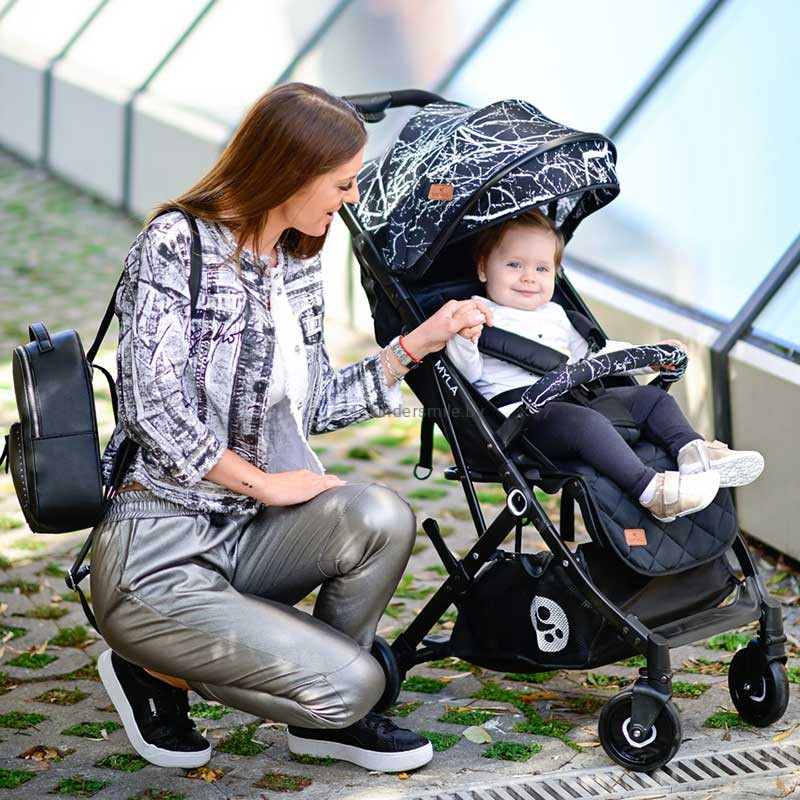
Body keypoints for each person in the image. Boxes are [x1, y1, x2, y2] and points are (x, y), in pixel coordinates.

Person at [91, 82, 492, 774]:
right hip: (159, 547)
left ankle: (322, 716)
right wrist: (268, 486)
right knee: (359, 685)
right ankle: (156, 665)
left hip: (244, 539)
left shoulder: (297, 263)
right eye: (342, 182)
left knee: (380, 516)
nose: (352, 197)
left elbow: (314, 405)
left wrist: (416, 345)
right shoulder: (176, 244)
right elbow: (151, 408)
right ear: (290, 172)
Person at [445, 209, 764, 523]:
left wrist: (649, 357)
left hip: (576, 399)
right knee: (585, 423)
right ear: (483, 268)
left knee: (653, 400)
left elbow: (597, 354)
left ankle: (694, 454)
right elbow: (467, 375)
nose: (528, 276)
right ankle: (652, 491)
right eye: (514, 264)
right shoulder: (474, 314)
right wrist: (464, 339)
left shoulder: (556, 315)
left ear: (556, 273)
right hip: (525, 419)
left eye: (542, 268)